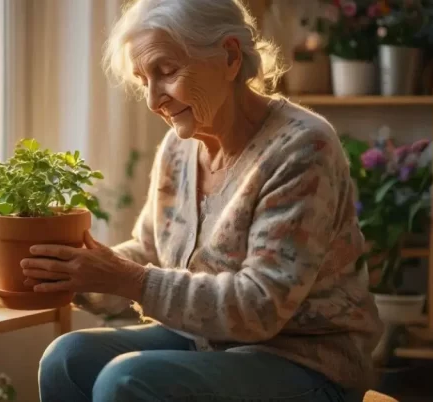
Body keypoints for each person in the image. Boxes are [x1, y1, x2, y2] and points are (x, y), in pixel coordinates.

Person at [20, 1, 382, 401]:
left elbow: (259, 305)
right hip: (209, 341)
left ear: (228, 56)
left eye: (167, 71)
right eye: (144, 81)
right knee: (66, 358)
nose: (154, 100)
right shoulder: (180, 146)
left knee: (125, 381)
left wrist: (124, 278)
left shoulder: (302, 147)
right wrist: (69, 272)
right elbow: (149, 252)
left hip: (307, 361)